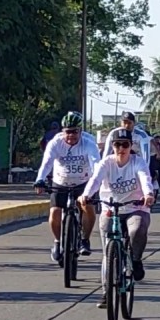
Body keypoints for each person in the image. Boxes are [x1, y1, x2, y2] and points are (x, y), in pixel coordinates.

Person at [79, 129, 156, 308]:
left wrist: (148, 194)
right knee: (108, 253)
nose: (121, 149)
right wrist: (86, 195)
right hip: (111, 208)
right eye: (117, 145)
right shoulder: (106, 163)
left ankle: (136, 260)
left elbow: (145, 179)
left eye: (125, 145)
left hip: (135, 207)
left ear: (131, 146)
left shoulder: (138, 162)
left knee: (137, 229)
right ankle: (106, 292)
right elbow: (95, 180)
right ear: (112, 146)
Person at [34, 111, 100, 261]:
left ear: (80, 131)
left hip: (83, 183)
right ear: (62, 131)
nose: (71, 136)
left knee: (88, 208)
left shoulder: (89, 143)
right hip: (61, 182)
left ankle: (85, 239)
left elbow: (96, 163)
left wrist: (97, 182)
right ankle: (57, 242)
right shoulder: (55, 143)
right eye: (67, 132)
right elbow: (46, 164)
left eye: (74, 132)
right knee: (55, 213)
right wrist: (40, 180)